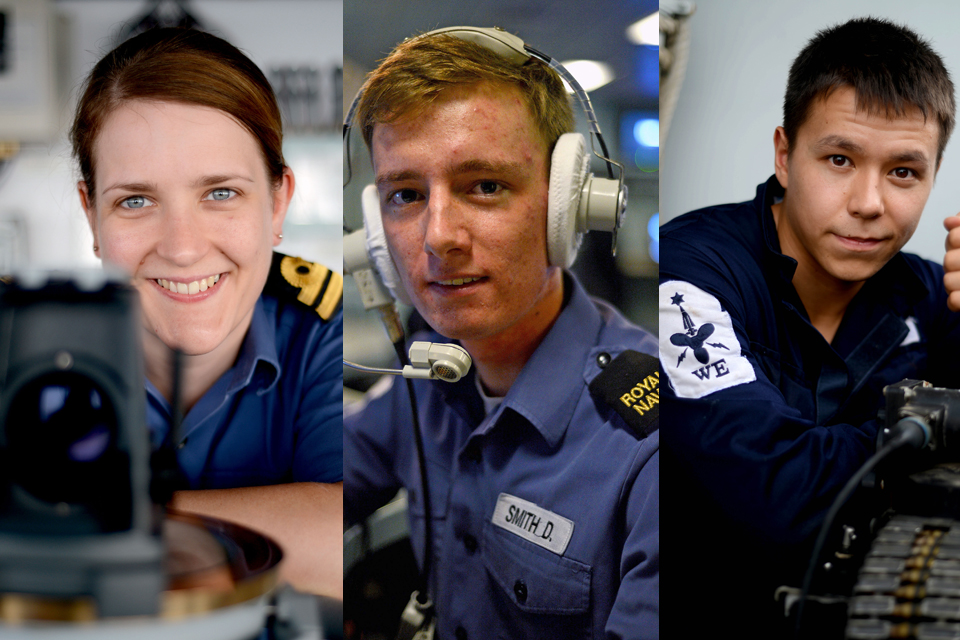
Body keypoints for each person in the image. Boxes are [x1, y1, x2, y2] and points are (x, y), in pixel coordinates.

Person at [343, 28, 659, 639]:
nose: (439, 237)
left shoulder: (649, 451)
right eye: (405, 194)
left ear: (567, 207)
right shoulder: (426, 383)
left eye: (485, 186)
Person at [659, 17, 959, 637]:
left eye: (904, 172)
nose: (869, 202)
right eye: (840, 159)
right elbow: (775, 495)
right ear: (785, 155)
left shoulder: (930, 296)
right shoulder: (690, 274)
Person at [71, 27, 343, 597]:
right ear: (91, 214)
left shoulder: (326, 325)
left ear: (277, 204)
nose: (183, 247)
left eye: (220, 192)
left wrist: (86, 530)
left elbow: (339, 534)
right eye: (136, 201)